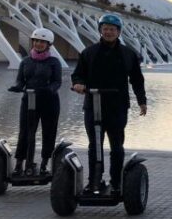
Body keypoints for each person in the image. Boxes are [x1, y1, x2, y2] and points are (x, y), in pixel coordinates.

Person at [71, 14, 147, 192]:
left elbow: (137, 79)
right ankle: (94, 181)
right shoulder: (89, 53)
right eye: (105, 29)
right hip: (93, 105)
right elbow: (78, 74)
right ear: (100, 30)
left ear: (118, 32)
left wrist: (142, 101)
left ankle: (116, 182)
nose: (109, 32)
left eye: (112, 29)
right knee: (94, 145)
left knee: (117, 145)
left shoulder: (128, 54)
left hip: (117, 106)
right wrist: (78, 84)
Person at [9, 28, 61, 176]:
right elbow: (20, 80)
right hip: (29, 100)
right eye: (36, 41)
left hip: (49, 101)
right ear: (33, 42)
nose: (38, 44)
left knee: (48, 132)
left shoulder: (54, 62)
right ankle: (19, 164)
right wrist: (17, 87)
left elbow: (57, 82)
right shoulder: (25, 61)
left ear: (48, 44)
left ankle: (44, 163)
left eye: (42, 42)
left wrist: (49, 89)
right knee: (25, 132)